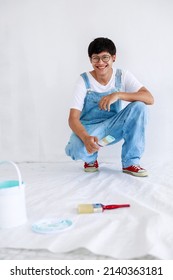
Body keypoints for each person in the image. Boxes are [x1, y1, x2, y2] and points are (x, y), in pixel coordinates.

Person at [65, 37, 154, 177]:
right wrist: (85, 137)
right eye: (96, 58)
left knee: (140, 107)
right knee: (77, 150)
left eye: (105, 57)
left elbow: (149, 98)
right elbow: (73, 118)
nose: (100, 63)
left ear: (114, 58)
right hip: (91, 129)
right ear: (90, 60)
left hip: (114, 127)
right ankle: (90, 158)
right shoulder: (83, 80)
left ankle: (131, 163)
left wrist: (118, 95)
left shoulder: (122, 76)